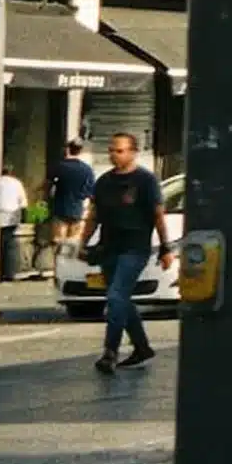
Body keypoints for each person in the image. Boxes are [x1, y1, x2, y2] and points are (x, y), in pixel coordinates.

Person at [78, 134, 172, 373]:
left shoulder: (146, 181)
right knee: (120, 299)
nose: (113, 155)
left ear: (132, 152)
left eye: (119, 151)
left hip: (135, 248)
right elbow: (94, 216)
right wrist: (83, 243)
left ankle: (110, 351)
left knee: (116, 297)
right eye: (111, 150)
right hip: (109, 247)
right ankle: (142, 347)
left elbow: (158, 215)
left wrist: (165, 248)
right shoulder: (104, 182)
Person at [42, 141, 94, 278]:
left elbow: (47, 186)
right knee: (73, 242)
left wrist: (47, 200)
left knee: (58, 241)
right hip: (77, 210)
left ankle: (58, 270)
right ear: (80, 151)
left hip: (60, 208)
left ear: (67, 149)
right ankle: (71, 270)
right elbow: (90, 192)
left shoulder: (59, 166)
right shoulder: (87, 169)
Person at [0, 165, 28, 280]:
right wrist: (24, 218)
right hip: (12, 216)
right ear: (11, 172)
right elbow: (23, 203)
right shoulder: (17, 183)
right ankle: (9, 272)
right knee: (9, 243)